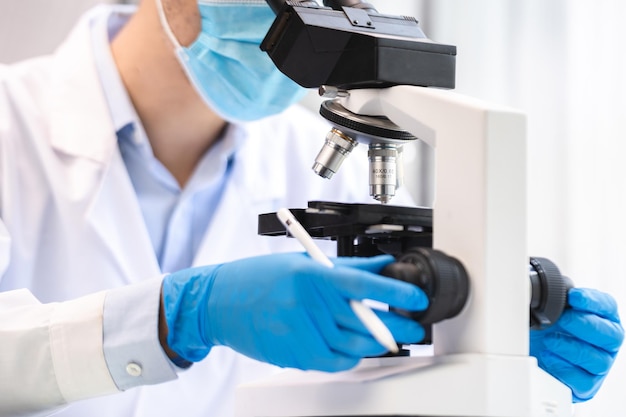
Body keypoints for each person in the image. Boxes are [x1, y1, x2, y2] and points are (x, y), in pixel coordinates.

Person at [0, 0, 622, 416]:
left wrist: (499, 327)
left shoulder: (320, 156)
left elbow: (405, 329)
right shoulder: (11, 123)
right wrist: (176, 316)